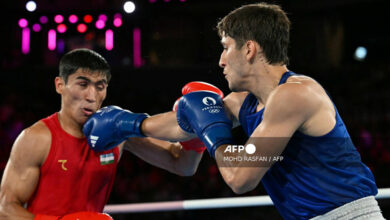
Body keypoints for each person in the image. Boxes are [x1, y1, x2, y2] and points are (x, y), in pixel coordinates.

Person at [83, 3, 385, 220]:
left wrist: (216, 138)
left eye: (226, 47)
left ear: (249, 49)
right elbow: (184, 124)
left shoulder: (295, 95)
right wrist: (130, 124)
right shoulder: (245, 102)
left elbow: (241, 177)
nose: (221, 61)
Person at [0, 48, 204, 220]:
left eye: (100, 87)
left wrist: (195, 134)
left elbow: (182, 165)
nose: (91, 96)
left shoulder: (118, 134)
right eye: (83, 84)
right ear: (59, 85)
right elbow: (6, 209)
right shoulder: (37, 138)